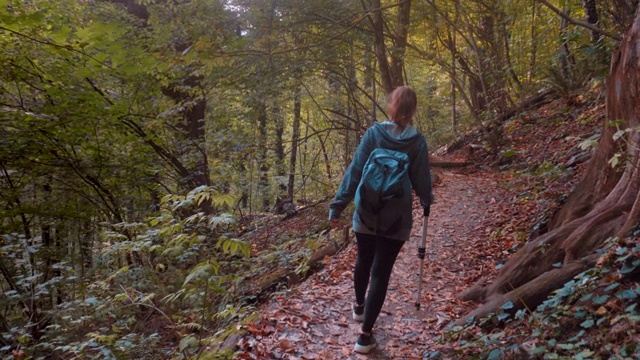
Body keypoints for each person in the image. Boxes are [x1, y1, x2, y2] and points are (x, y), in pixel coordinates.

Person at [329, 86, 432, 354]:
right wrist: (426, 199)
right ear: (414, 110)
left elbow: (354, 172)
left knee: (364, 258)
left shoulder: (374, 134)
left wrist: (337, 206)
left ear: (391, 106)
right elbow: (421, 179)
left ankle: (359, 307)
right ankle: (364, 337)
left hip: (366, 210)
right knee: (380, 272)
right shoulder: (417, 142)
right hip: (395, 216)